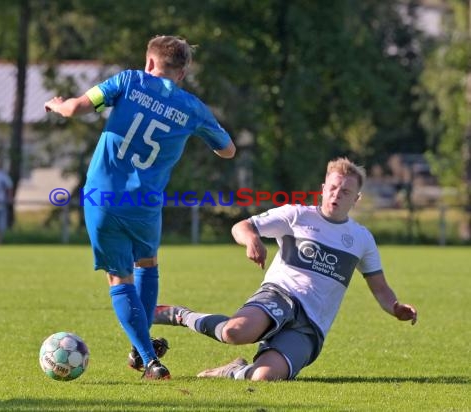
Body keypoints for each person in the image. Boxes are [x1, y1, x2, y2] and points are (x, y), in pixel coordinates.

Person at [44, 35, 236, 380]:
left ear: (150, 63)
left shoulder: (128, 80)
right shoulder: (193, 108)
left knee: (119, 276)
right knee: (147, 264)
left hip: (102, 197)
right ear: (183, 72)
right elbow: (228, 150)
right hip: (146, 204)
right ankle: (140, 350)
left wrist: (58, 104)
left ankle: (149, 360)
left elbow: (75, 108)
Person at [154, 157, 418, 381]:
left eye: (345, 192)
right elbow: (241, 226)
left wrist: (395, 308)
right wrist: (252, 239)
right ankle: (181, 315)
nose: (337, 194)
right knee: (235, 332)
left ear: (356, 199)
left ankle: (233, 370)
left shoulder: (361, 239)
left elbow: (380, 288)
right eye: (334, 188)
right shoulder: (297, 215)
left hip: (311, 324)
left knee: (264, 377)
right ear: (323, 188)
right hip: (281, 296)